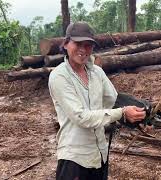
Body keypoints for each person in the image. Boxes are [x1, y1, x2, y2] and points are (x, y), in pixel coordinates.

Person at [48, 21, 146, 180]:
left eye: (88, 45)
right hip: (74, 157)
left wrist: (141, 112)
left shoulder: (97, 73)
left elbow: (114, 100)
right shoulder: (59, 77)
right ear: (66, 44)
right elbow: (81, 117)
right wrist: (121, 113)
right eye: (78, 43)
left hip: (99, 153)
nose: (83, 49)